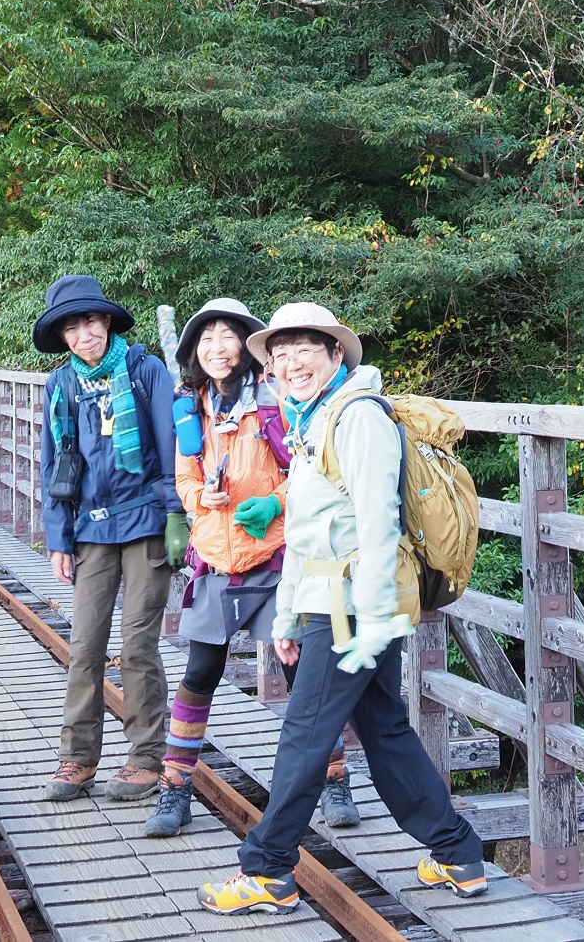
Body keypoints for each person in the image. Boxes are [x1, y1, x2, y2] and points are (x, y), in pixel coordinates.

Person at [199, 301, 487, 917]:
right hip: (331, 600)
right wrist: (286, 617)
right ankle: (456, 852)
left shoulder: (357, 417)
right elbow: (307, 529)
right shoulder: (313, 420)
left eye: (307, 349)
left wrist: (375, 614)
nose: (292, 363)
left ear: (336, 354)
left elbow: (380, 521)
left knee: (306, 734)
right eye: (281, 354)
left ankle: (268, 870)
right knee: (384, 729)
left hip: (353, 606)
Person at [148, 298, 362, 839]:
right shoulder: (190, 405)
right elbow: (184, 479)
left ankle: (335, 779)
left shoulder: (277, 398)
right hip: (215, 559)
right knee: (200, 674)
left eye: (227, 337)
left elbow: (313, 472)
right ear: (193, 351)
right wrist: (201, 500)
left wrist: (273, 502)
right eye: (206, 339)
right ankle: (175, 788)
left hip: (278, 556)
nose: (217, 348)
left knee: (300, 673)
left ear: (247, 345)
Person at [32, 274, 188, 804]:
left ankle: (146, 757)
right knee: (84, 646)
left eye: (90, 322)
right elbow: (55, 464)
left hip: (146, 521)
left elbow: (171, 446)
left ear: (107, 322)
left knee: (137, 643)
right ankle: (78, 757)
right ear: (63, 336)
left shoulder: (145, 371)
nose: (84, 335)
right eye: (72, 328)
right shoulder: (61, 385)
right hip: (92, 529)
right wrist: (58, 538)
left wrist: (176, 516)